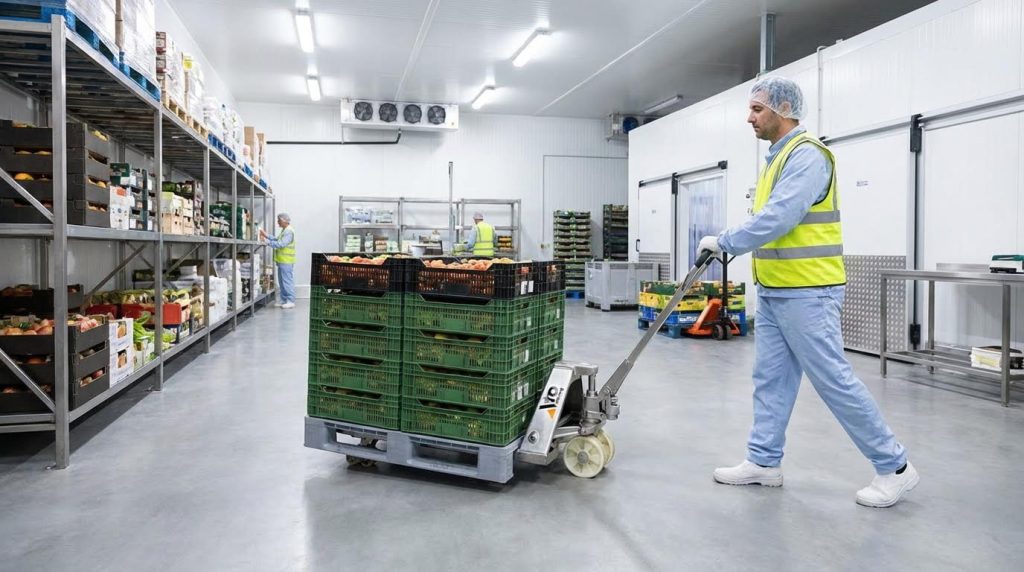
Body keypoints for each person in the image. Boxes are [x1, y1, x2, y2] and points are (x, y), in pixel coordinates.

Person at [698, 76, 918, 508]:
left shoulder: (808, 156)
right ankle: (763, 461)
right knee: (771, 379)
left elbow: (780, 217)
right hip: (779, 291)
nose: (749, 117)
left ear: (782, 109)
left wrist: (724, 241)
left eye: (757, 110)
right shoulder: (776, 160)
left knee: (833, 379)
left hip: (810, 293)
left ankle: (895, 467)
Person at [260, 213, 296, 309]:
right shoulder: (285, 231)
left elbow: (281, 244)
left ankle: (290, 300)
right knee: (282, 281)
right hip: (282, 261)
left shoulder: (289, 231)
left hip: (286, 261)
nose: (278, 222)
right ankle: (284, 300)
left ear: (284, 220)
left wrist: (266, 241)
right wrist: (266, 235)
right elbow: (277, 239)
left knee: (287, 281)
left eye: (279, 221)